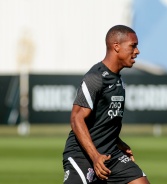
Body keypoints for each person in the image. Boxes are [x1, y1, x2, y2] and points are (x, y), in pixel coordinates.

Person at [62, 25, 150, 184]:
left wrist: (118, 142)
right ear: (116, 46)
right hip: (83, 155)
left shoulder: (118, 80)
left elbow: (104, 120)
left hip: (111, 154)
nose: (137, 51)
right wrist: (95, 157)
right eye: (133, 46)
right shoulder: (95, 77)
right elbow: (76, 118)